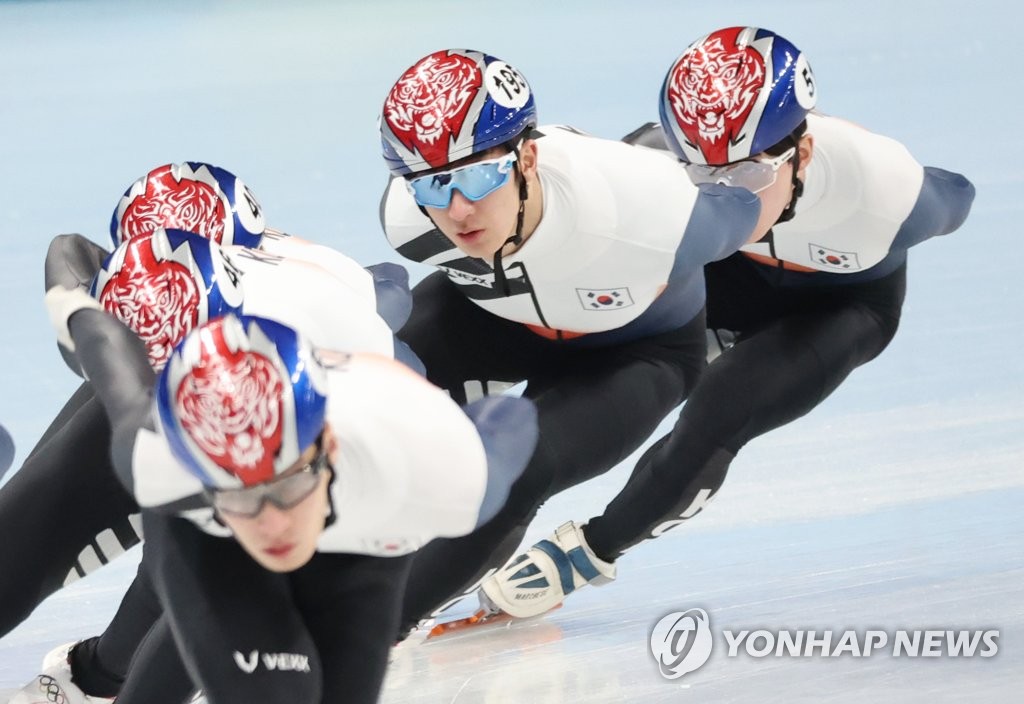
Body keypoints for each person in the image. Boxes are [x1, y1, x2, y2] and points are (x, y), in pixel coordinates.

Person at [479, 26, 976, 618]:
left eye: (745, 177)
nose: (726, 196)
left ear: (806, 153)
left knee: (721, 408)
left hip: (839, 305)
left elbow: (959, 194)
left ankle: (587, 554)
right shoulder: (648, 162)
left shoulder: (887, 192)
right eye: (700, 174)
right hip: (731, 279)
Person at [376, 48, 762, 633]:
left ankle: (378, 628)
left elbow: (745, 206)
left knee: (515, 472)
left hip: (635, 351)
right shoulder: (408, 221)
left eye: (479, 175)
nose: (456, 209)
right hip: (493, 318)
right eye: (431, 185)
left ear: (527, 156)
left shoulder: (648, 214)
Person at [3, 166, 419, 702]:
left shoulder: (332, 336)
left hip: (300, 411)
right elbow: (67, 253)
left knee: (206, 556)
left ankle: (96, 676)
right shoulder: (111, 322)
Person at [29, 292, 536, 704]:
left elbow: (512, 429)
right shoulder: (162, 462)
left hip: (363, 547)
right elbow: (103, 343)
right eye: (239, 492)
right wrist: (76, 296)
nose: (272, 524)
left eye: (287, 484)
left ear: (328, 445)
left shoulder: (436, 469)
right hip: (218, 542)